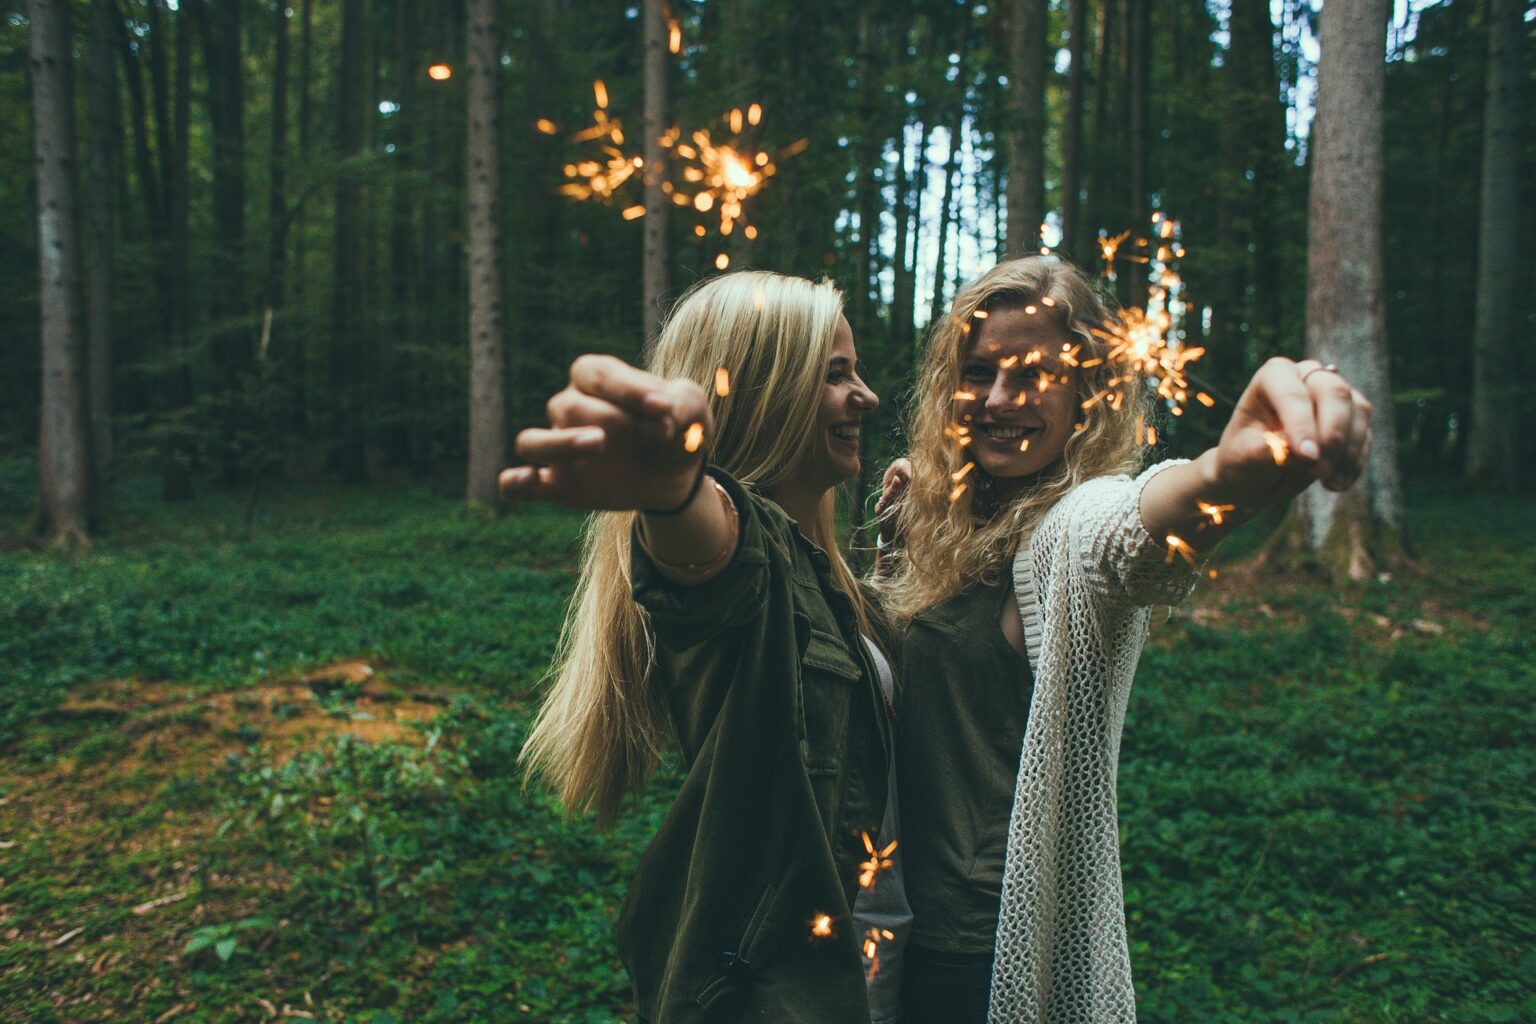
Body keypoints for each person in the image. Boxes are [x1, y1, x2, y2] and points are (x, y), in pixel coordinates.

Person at [873, 255, 1373, 1024]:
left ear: (1089, 393)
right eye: (979, 372)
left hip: (974, 952)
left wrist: (1225, 477)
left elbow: (1133, 529)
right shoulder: (935, 513)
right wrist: (899, 538)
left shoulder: (1069, 531)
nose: (1000, 398)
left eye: (1034, 374)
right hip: (883, 917)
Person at [501, 271, 911, 1024]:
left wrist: (898, 557)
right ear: (767, 392)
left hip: (867, 979)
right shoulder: (740, 548)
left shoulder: (820, 572)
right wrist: (673, 490)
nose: (867, 396)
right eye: (835, 374)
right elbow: (708, 553)